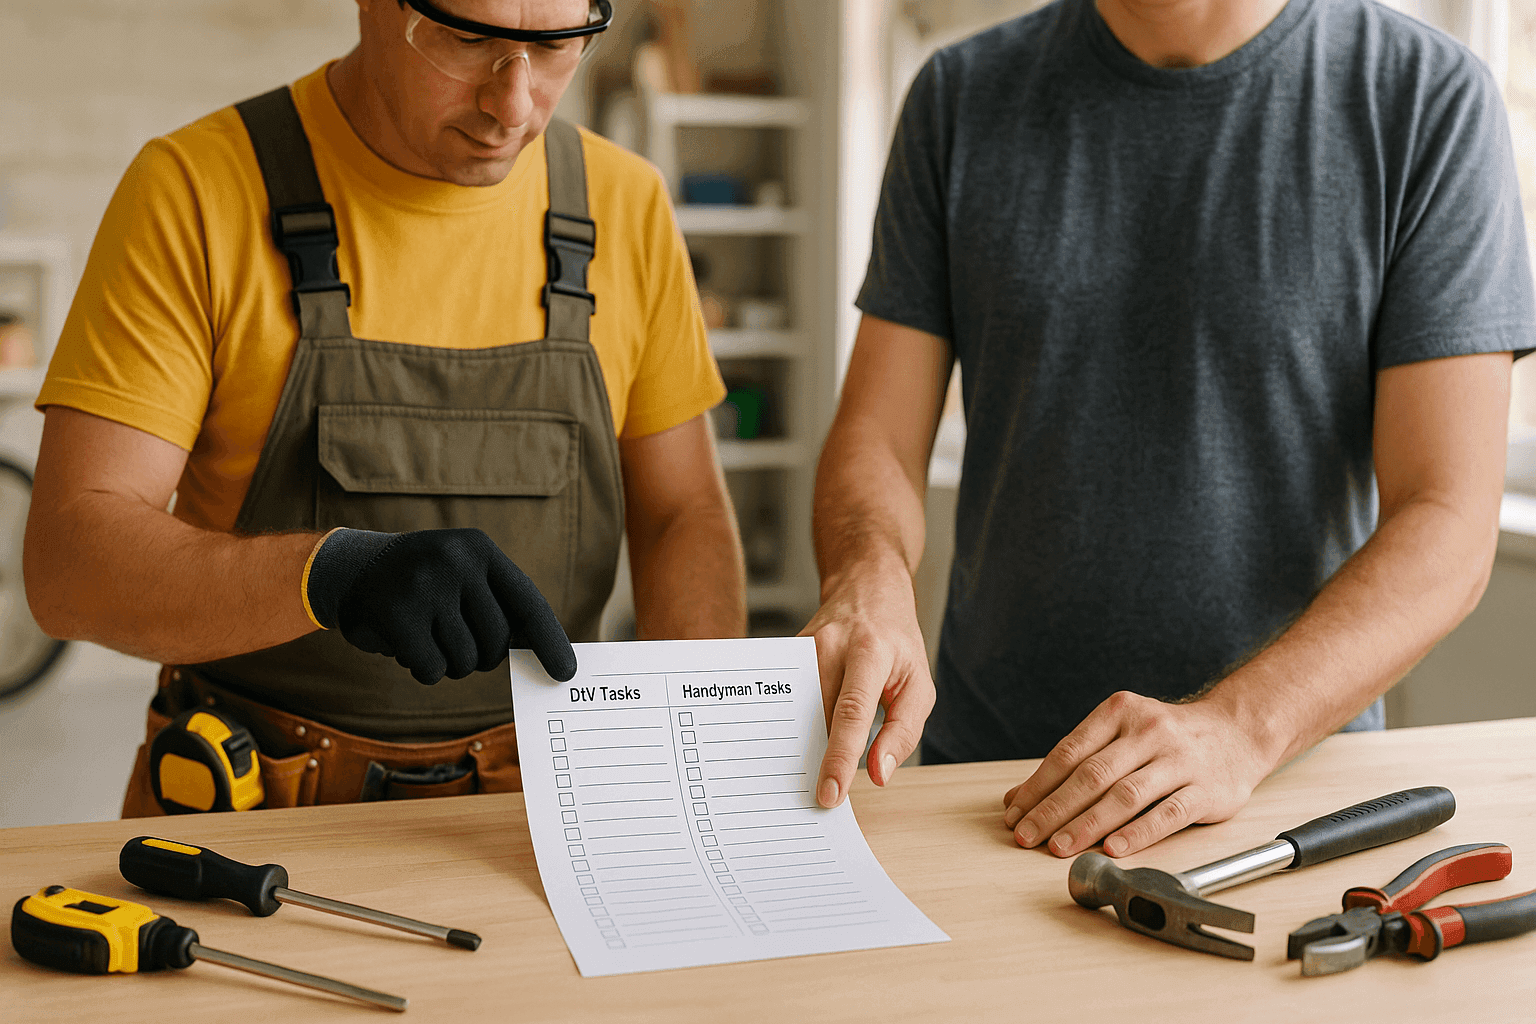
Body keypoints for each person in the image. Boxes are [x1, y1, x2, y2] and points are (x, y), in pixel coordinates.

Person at [806, 0, 1533, 859]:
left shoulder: (1425, 98)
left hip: (1281, 799)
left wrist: (1238, 727)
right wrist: (867, 570)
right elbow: (878, 437)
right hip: (996, 794)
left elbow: (1447, 518)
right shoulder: (959, 94)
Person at [24, 0, 746, 814]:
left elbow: (683, 512)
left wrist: (693, 740)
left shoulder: (627, 205)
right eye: (466, 38)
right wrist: (329, 574)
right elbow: (69, 565)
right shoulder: (198, 190)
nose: (513, 105)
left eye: (554, 46)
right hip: (256, 808)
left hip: (544, 808)